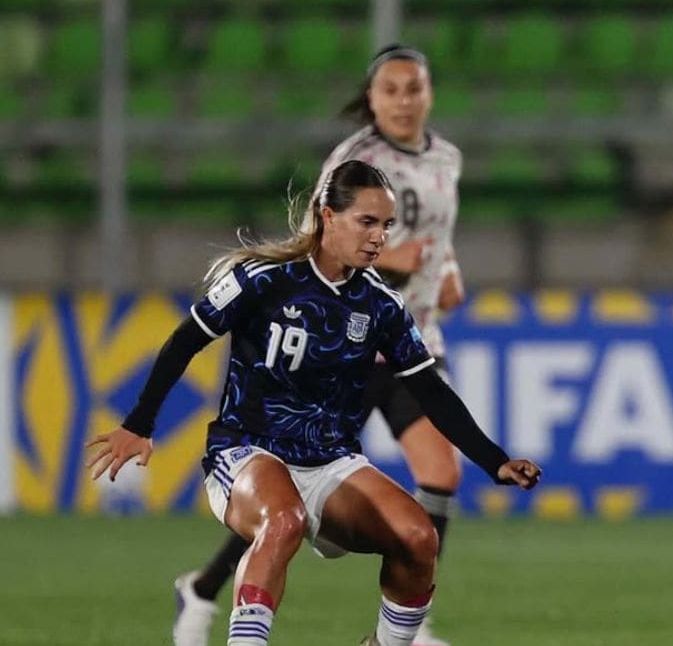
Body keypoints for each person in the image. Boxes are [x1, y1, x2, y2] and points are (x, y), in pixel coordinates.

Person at [86, 159, 541, 646]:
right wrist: (140, 422)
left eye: (386, 226)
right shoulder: (261, 280)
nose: (378, 237)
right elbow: (184, 341)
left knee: (418, 538)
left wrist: (494, 460)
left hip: (329, 462)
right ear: (328, 216)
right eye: (366, 222)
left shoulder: (382, 304)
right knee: (282, 521)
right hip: (246, 451)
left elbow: (429, 388)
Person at [172, 45, 468, 646]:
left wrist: (448, 268)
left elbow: (436, 231)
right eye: (391, 90)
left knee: (441, 471)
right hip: (344, 350)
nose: (404, 101)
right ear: (372, 97)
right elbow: (317, 238)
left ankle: (413, 621)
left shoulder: (447, 158)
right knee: (292, 483)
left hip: (412, 343)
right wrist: (389, 259)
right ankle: (204, 588)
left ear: (429, 94)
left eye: (414, 89)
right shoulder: (355, 158)